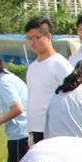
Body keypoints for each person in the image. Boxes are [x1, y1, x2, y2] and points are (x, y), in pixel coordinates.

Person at [24, 16, 73, 145]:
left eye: (37, 37)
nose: (33, 42)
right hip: (35, 129)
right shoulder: (32, 67)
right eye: (30, 38)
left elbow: (72, 96)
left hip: (54, 129)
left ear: (49, 36)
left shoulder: (60, 64)